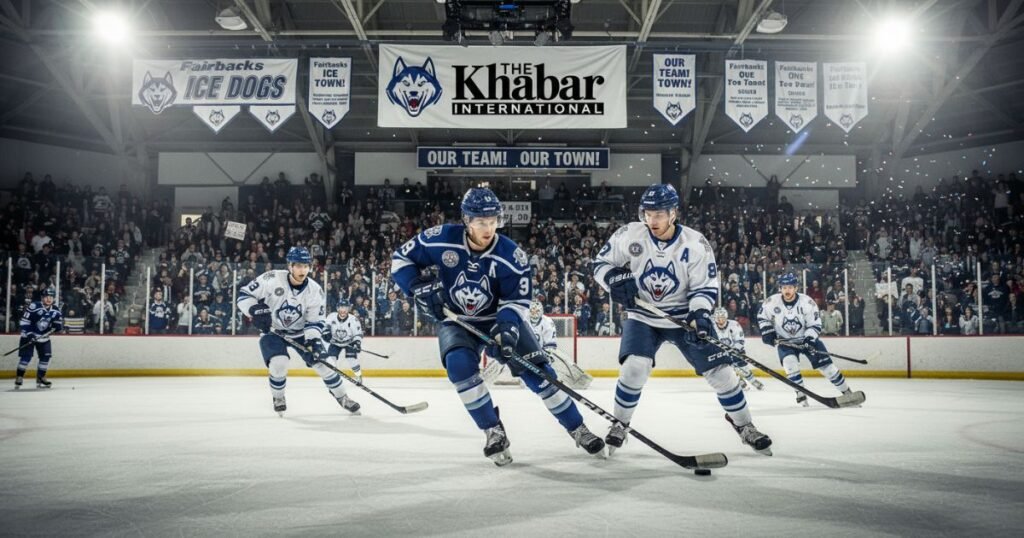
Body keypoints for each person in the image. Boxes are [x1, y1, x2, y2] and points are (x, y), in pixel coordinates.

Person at [390, 187, 604, 466]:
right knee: (458, 367)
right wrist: (418, 286)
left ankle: (578, 428)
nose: (488, 228)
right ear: (467, 220)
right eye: (481, 222)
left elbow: (516, 301)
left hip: (497, 320)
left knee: (539, 374)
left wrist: (507, 331)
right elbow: (400, 259)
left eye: (493, 221)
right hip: (456, 320)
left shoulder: (512, 256)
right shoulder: (440, 239)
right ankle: (492, 430)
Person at [593, 183, 772, 456]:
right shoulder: (629, 234)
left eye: (659, 214)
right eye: (648, 214)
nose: (652, 220)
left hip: (683, 317)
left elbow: (705, 287)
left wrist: (700, 315)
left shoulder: (695, 243)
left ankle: (744, 425)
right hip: (643, 316)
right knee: (634, 368)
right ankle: (620, 423)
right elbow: (600, 264)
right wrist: (613, 278)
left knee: (721, 373)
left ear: (673, 213)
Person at [237, 246, 360, 417]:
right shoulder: (271, 278)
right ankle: (278, 397)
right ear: (290, 266)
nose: (302, 270)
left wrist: (314, 340)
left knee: (324, 364)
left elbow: (315, 320)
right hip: (273, 331)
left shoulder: (315, 290)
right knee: (279, 364)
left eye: (305, 266)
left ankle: (343, 397)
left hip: (301, 333)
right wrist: (255, 310)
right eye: (298, 266)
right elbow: (244, 296)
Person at [757, 272, 859, 407]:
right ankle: (800, 394)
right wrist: (767, 332)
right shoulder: (771, 302)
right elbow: (762, 317)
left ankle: (847, 393)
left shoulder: (807, 302)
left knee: (828, 368)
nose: (787, 290)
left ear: (796, 288)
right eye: (784, 287)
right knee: (789, 363)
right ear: (780, 288)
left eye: (790, 287)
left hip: (807, 339)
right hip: (785, 341)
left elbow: (815, 324)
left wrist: (809, 340)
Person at [16, 287, 63, 389]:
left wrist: (57, 327)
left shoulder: (55, 309)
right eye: (46, 297)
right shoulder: (34, 306)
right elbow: (24, 322)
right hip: (28, 336)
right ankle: (19, 376)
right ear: (42, 298)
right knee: (26, 357)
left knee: (45, 357)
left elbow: (58, 323)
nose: (49, 299)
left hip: (44, 337)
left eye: (51, 297)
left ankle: (41, 377)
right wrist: (30, 335)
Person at [712, 307, 763, 391]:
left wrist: (734, 351)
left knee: (742, 365)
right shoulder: (712, 327)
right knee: (726, 370)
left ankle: (752, 379)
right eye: (718, 318)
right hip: (721, 353)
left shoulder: (734, 324)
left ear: (726, 317)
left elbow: (740, 340)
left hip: (736, 350)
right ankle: (738, 380)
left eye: (722, 318)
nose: (721, 320)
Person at [324, 300, 365, 383]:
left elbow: (358, 334)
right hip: (335, 342)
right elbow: (325, 328)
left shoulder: (353, 320)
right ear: (337, 309)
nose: (343, 310)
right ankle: (334, 377)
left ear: (349, 309)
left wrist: (357, 343)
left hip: (349, 342)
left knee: (351, 359)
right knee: (331, 360)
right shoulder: (331, 316)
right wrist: (326, 334)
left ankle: (358, 375)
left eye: (345, 308)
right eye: (341, 308)